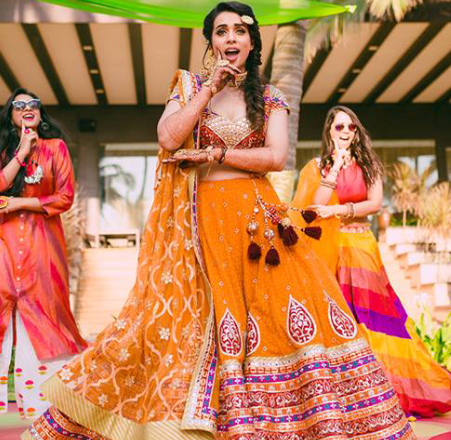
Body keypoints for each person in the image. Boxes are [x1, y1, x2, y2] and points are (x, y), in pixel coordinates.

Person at [24, 3, 415, 439]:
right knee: (172, 323)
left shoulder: (270, 98)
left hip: (257, 223)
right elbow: (168, 137)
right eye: (222, 31)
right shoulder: (188, 86)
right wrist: (208, 89)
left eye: (239, 32)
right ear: (211, 41)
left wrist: (218, 155)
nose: (231, 39)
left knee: (282, 315)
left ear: (252, 42)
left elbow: (275, 157)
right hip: (197, 222)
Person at [291, 105, 451, 418]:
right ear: (329, 132)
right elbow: (315, 206)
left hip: (360, 248)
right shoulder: (318, 166)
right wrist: (334, 169)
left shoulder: (368, 164)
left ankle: (385, 392)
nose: (345, 133)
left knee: (373, 319)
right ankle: (345, 393)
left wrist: (341, 211)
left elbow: (373, 203)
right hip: (330, 250)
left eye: (351, 128)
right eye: (339, 127)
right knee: (339, 318)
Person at [0, 88, 88, 428]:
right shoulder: (1, 150)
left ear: (40, 112)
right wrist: (21, 152)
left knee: (46, 320)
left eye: (32, 104)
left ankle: (54, 406)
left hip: (42, 247)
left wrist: (20, 203)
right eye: (18, 105)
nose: (26, 109)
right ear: (11, 115)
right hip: (1, 244)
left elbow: (65, 196)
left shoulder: (56, 148)